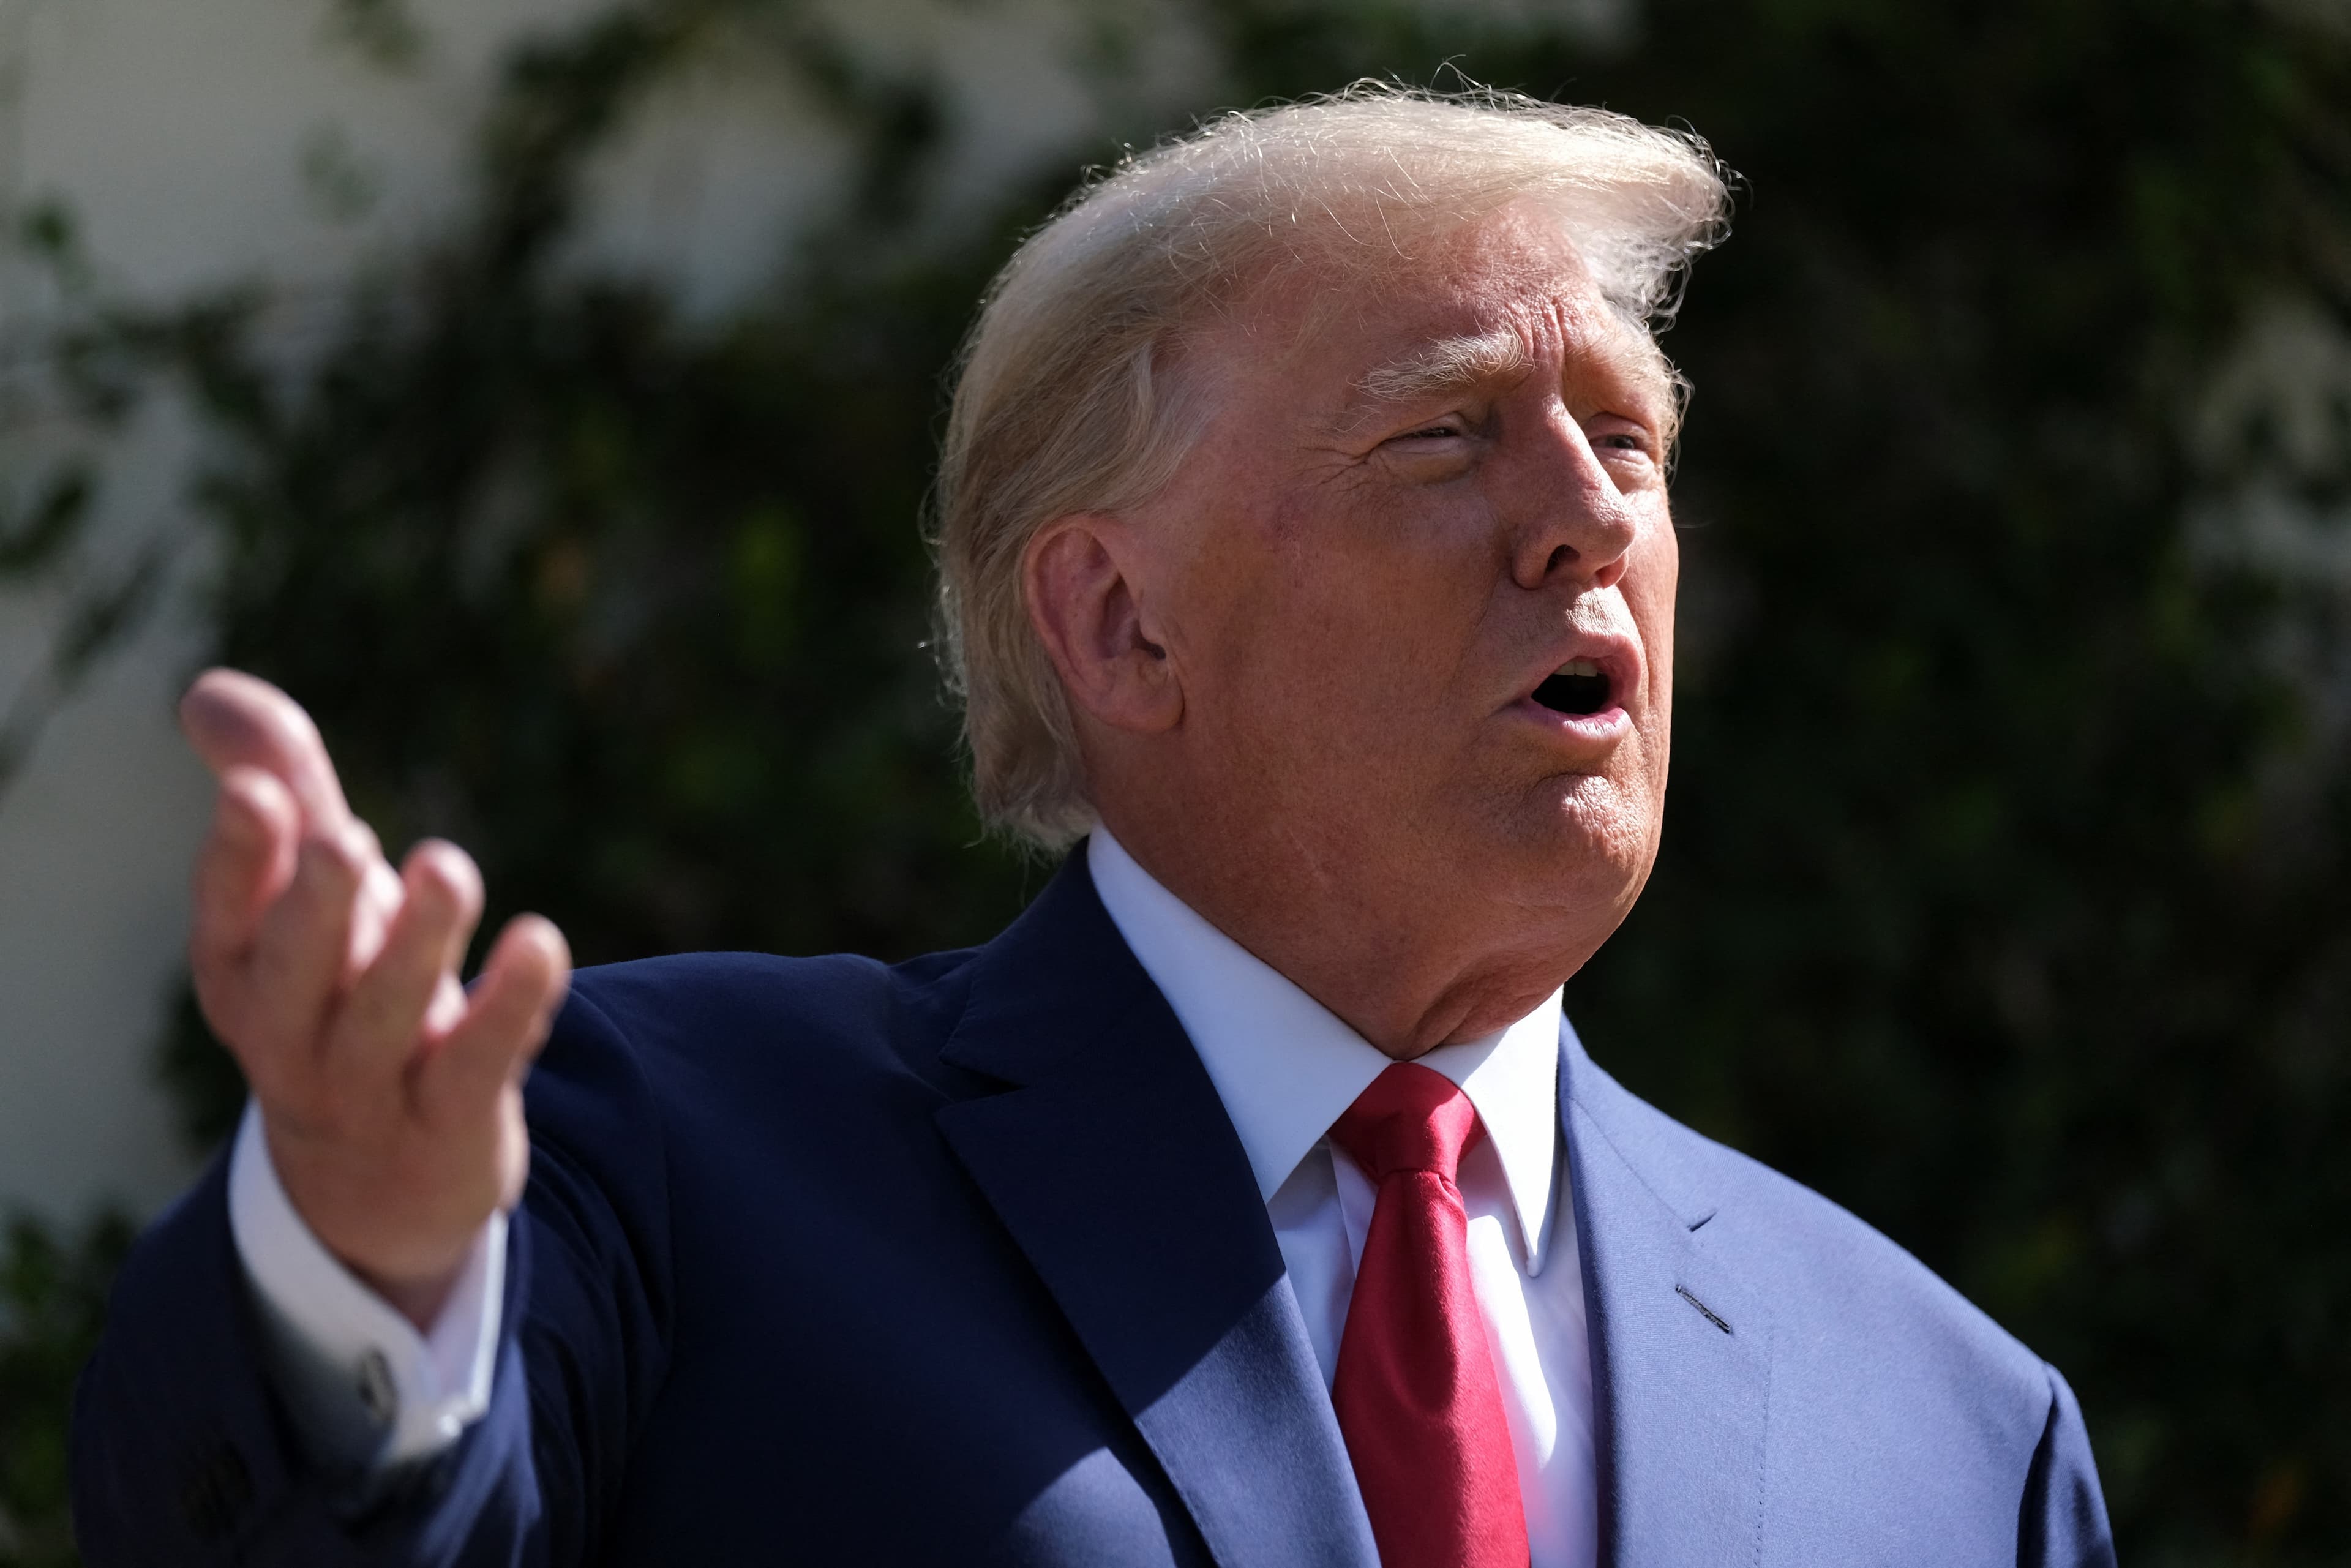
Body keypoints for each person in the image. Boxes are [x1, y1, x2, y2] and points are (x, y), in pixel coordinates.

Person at [70, 88, 2116, 1566]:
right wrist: (368, 1265)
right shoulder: (676, 1153)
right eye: (1447, 430)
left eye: (1635, 442)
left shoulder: (1955, 1423)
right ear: (1122, 622)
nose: (1587, 511)